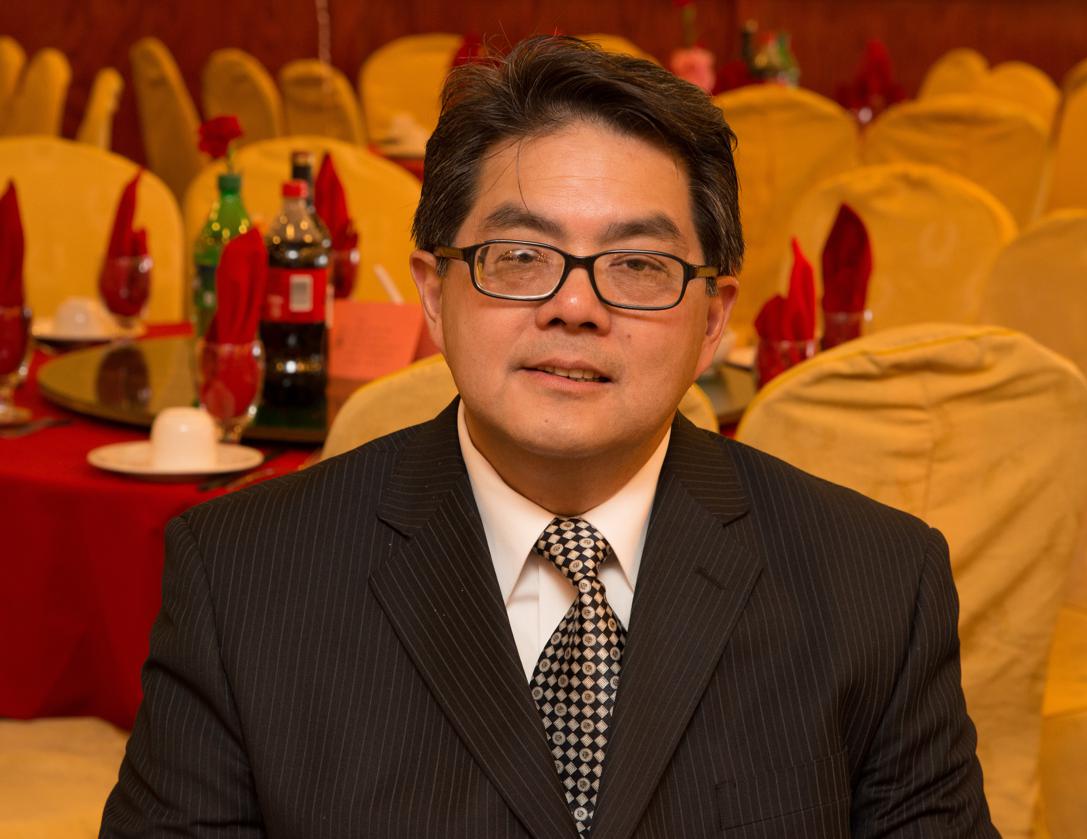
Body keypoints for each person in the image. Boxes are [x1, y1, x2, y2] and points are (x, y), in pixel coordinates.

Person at [102, 36, 996, 838]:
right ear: (433, 294)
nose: (574, 306)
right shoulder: (244, 579)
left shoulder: (876, 586)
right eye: (521, 257)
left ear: (713, 320)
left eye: (637, 264)